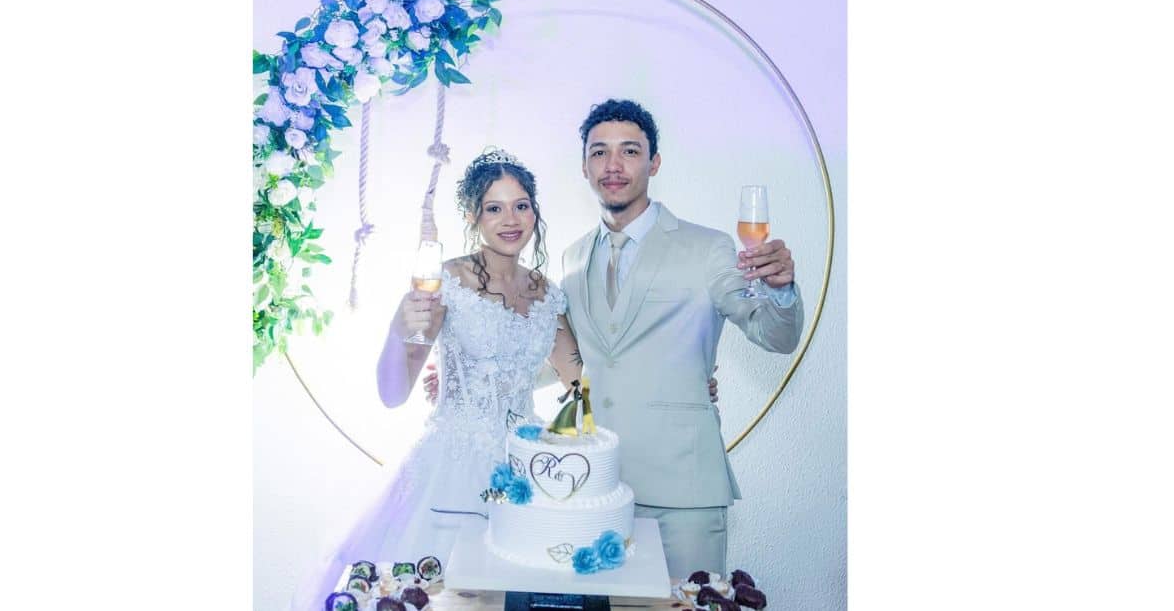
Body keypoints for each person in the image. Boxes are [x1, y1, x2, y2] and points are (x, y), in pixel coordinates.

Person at [291, 148, 583, 610]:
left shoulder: (548, 294)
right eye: (494, 207)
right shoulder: (447, 282)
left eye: (521, 205)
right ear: (472, 216)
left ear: (534, 212)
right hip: (451, 469)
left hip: (528, 470)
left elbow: (580, 383)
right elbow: (392, 393)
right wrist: (397, 329)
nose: (511, 219)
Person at [560, 99, 804, 578]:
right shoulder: (572, 257)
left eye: (630, 151)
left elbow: (775, 336)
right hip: (596, 488)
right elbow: (572, 357)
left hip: (684, 493)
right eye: (599, 152)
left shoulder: (707, 247)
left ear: (654, 163)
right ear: (584, 167)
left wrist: (780, 290)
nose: (613, 165)